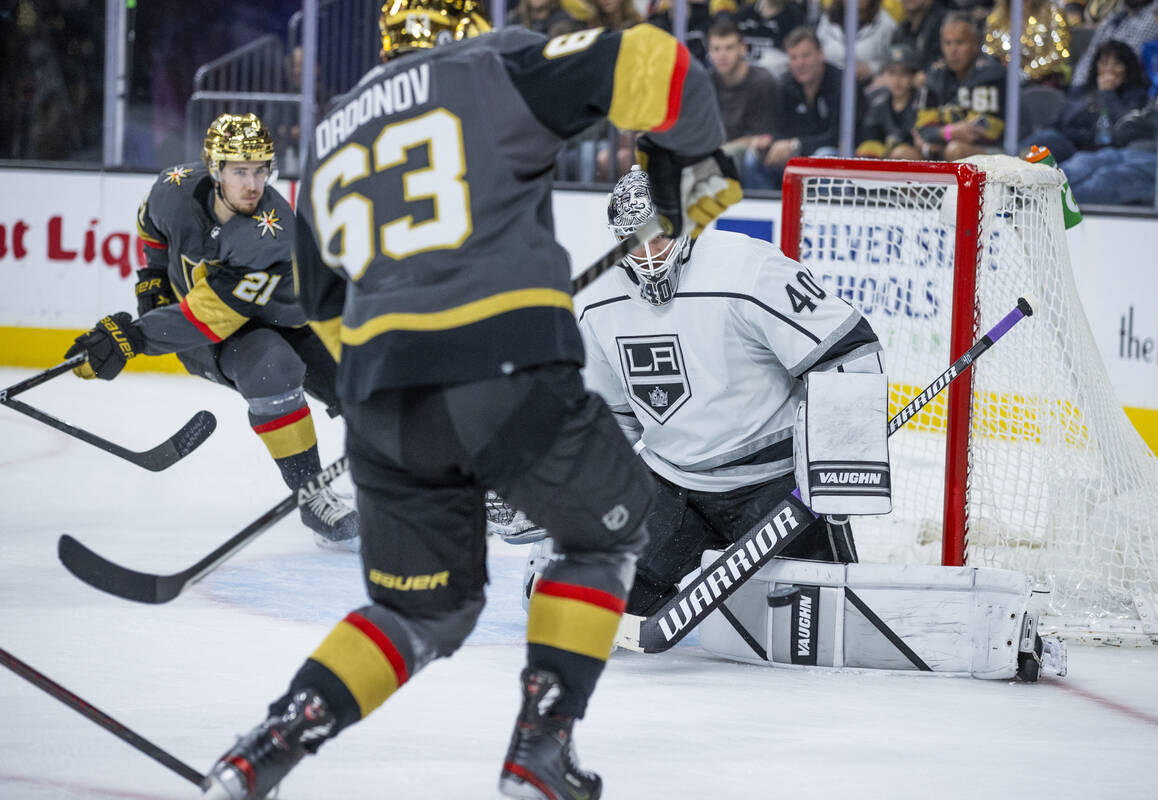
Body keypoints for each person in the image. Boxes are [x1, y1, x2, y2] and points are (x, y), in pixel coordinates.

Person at [198, 4, 742, 800]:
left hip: (386, 399)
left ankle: (259, 754)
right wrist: (686, 164)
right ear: (461, 25)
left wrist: (390, 390)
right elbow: (661, 63)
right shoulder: (494, 65)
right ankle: (538, 755)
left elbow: (321, 305)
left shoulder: (329, 136)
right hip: (506, 365)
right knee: (610, 522)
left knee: (420, 611)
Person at [566, 165, 885, 620]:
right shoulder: (599, 303)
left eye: (659, 235)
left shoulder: (747, 267)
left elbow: (849, 350)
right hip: (672, 483)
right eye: (633, 239)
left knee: (818, 625)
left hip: (776, 485)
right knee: (601, 608)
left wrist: (841, 456)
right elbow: (613, 418)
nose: (649, 253)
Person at [63, 112, 359, 551]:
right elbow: (152, 230)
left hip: (291, 323)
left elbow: (209, 311)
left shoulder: (269, 232)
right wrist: (154, 283)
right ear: (215, 168)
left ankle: (438, 490)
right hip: (227, 341)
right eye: (240, 171)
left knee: (371, 386)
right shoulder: (173, 189)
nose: (253, 185)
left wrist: (134, 337)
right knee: (271, 367)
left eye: (262, 170)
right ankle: (313, 496)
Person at [1059, 42, 1158, 205]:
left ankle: (1047, 208)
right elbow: (1124, 128)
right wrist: (1156, 126)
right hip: (1133, 152)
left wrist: (1146, 123)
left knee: (1105, 180)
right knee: (1082, 163)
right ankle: (1032, 194)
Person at [741, 27, 850, 189]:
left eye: (806, 56)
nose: (800, 64)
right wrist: (768, 142)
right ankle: (770, 212)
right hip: (795, 158)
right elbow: (777, 128)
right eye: (793, 57)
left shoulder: (842, 84)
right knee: (752, 159)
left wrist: (795, 145)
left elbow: (839, 137)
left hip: (834, 159)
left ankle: (821, 212)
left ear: (821, 55)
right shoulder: (785, 86)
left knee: (824, 158)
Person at [1019, 40, 1149, 161]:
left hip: (1093, 152)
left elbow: (1121, 127)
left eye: (1117, 64)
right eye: (1104, 63)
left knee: (1049, 141)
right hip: (1064, 140)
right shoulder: (1082, 91)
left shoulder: (1136, 96)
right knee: (1045, 137)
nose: (1109, 69)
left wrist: (1107, 93)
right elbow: (1062, 121)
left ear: (1127, 68)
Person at [915, 12, 1006, 160]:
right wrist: (949, 131)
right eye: (947, 43)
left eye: (959, 42)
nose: (953, 51)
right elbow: (923, 129)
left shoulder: (990, 74)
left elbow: (981, 132)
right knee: (905, 153)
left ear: (975, 44)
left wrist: (940, 134)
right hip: (947, 144)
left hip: (995, 151)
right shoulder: (935, 75)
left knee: (955, 150)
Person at [707, 16, 780, 164]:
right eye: (716, 49)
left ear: (743, 49)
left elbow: (761, 139)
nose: (722, 55)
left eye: (729, 47)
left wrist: (722, 150)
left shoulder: (762, 82)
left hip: (754, 158)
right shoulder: (707, 82)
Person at [856, 42, 924, 157]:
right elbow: (870, 137)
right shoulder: (878, 102)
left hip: (919, 164)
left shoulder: (922, 101)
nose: (897, 80)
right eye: (892, 73)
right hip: (886, 161)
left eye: (903, 73)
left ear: (913, 76)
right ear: (884, 75)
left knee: (901, 153)